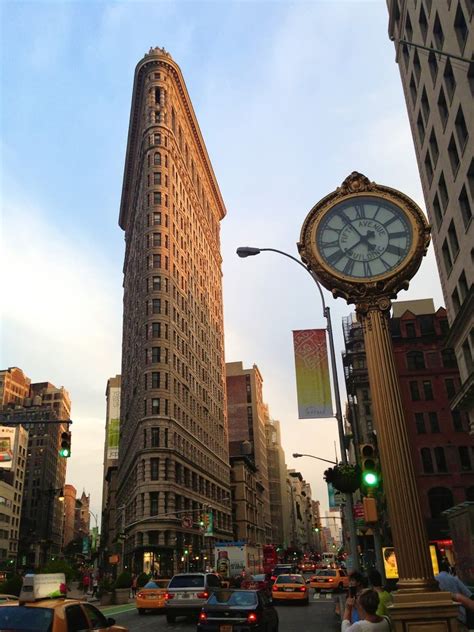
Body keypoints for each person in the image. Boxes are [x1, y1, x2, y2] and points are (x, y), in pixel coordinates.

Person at [435, 560, 473, 629]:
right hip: (459, 617)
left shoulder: (435, 580)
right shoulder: (454, 579)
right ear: (449, 569)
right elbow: (468, 594)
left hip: (443, 618)